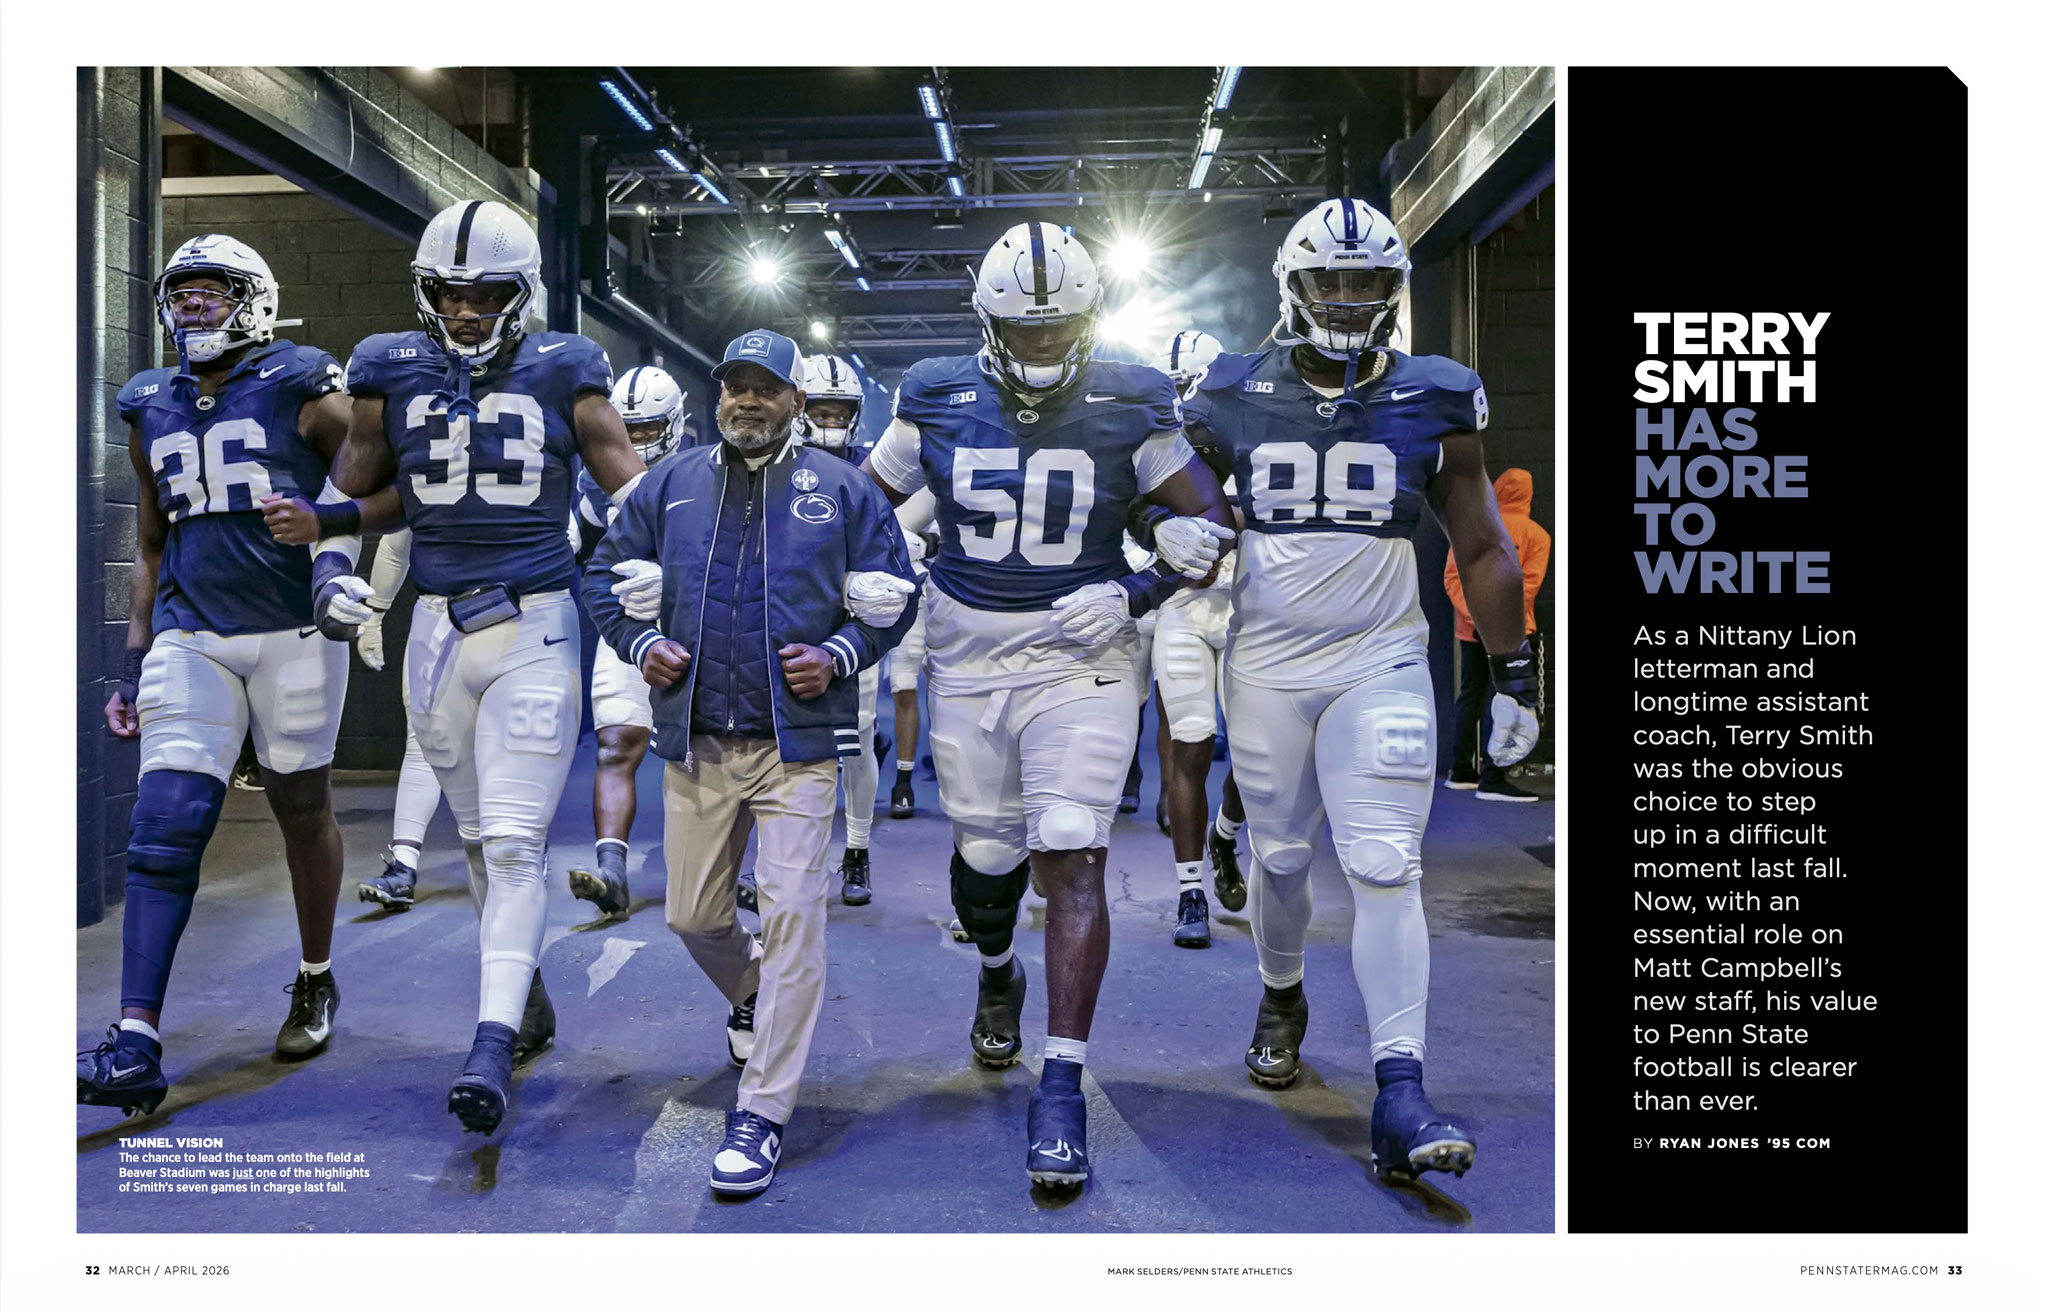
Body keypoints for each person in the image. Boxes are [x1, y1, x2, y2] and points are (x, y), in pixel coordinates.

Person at [860, 221, 1233, 1188]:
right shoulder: (934, 396)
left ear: (1089, 319)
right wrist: (879, 557)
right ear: (986, 324)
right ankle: (996, 968)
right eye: (1021, 332)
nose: (1039, 348)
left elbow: (1210, 520)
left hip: (1085, 656)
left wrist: (1141, 588)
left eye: (1057, 328)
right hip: (969, 655)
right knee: (987, 864)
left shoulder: (1127, 395)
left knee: (1072, 849)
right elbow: (860, 504)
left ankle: (1060, 1082)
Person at [1183, 198, 1540, 1183]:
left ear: (1395, 292)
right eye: (1329, 282)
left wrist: (1516, 666)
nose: (1347, 301)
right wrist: (1163, 534)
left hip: (1381, 658)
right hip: (1264, 661)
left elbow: (1480, 540)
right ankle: (1281, 989)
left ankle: (1401, 1086)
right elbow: (1175, 510)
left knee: (1387, 862)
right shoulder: (1226, 390)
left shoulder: (1435, 391)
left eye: (1368, 283)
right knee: (1286, 859)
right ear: (1291, 288)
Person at [322, 199, 647, 1136]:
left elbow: (631, 482)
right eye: (448, 293)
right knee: (473, 843)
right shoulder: (387, 363)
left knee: (510, 844)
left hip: (534, 620)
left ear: (523, 291)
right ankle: (527, 991)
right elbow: (344, 488)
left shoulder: (566, 366)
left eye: (486, 294)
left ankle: (490, 1042)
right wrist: (330, 570)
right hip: (433, 628)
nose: (465, 311)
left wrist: (664, 562)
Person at [585, 329, 917, 1197]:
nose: (748, 401)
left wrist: (843, 654)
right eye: (735, 386)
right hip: (697, 741)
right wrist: (638, 639)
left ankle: (761, 1113)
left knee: (797, 918)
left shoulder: (842, 490)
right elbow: (598, 573)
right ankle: (757, 998)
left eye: (767, 389)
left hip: (798, 748)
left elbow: (895, 597)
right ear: (719, 394)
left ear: (796, 402)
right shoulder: (671, 483)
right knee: (692, 917)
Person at [81, 235, 356, 1116]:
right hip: (189, 634)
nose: (195, 307)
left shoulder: (303, 382)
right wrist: (130, 663)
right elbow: (151, 542)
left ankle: (315, 975)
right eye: (183, 294)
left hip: (293, 633)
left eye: (213, 292)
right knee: (163, 827)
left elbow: (370, 474)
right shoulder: (149, 401)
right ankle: (137, 1039)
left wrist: (337, 555)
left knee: (301, 808)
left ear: (257, 299)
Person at [563, 364, 691, 917]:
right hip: (625, 630)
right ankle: (612, 870)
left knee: (708, 758)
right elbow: (573, 546)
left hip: (697, 630)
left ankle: (723, 870)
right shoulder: (591, 483)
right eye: (628, 428)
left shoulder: (704, 473)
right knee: (617, 745)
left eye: (646, 429)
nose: (635, 441)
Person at [1140, 328, 1248, 947]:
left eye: (1195, 391)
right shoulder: (1153, 445)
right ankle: (1190, 892)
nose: (1185, 407)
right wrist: (1156, 522)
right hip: (1181, 606)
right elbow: (1129, 507)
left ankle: (1226, 837)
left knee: (1256, 758)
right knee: (1191, 745)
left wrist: (1232, 516)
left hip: (1244, 608)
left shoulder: (1250, 436)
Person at [800, 353, 884, 904]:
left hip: (852, 621)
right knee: (780, 742)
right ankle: (787, 859)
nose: (832, 420)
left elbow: (901, 529)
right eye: (821, 409)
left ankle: (856, 850)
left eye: (841, 410)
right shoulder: (771, 459)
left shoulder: (876, 466)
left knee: (854, 741)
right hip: (787, 615)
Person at [1444, 468, 1550, 801]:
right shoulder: (1538, 536)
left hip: (1471, 629)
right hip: (1513, 634)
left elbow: (1452, 580)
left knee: (1470, 696)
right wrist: (1498, 622)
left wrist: (1475, 615)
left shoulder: (1471, 530)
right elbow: (1528, 588)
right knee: (1507, 701)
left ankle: (1461, 771)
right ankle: (1493, 777)